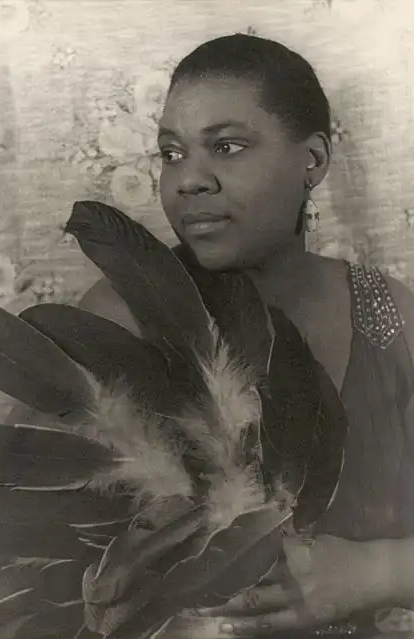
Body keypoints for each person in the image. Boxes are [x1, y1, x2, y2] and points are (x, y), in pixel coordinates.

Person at [78, 33, 414, 637]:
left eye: (226, 146)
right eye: (171, 153)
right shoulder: (120, 316)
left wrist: (373, 573)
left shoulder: (389, 318)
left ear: (313, 160)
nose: (188, 180)